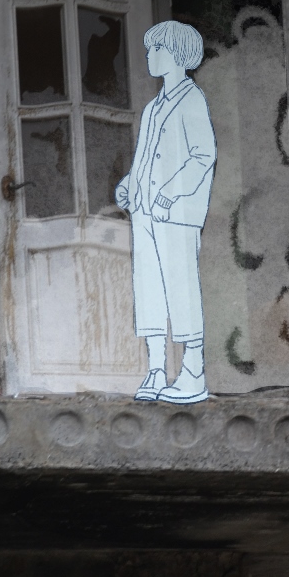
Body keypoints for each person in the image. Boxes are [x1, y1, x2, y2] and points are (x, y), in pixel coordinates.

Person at [115, 20, 216, 404]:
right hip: (145, 214)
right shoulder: (153, 107)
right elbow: (145, 158)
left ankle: (193, 371)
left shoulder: (192, 100)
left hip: (175, 214)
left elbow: (203, 156)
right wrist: (129, 185)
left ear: (176, 54)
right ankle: (156, 369)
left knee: (181, 287)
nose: (149, 56)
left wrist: (171, 194)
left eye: (156, 49)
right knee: (150, 289)